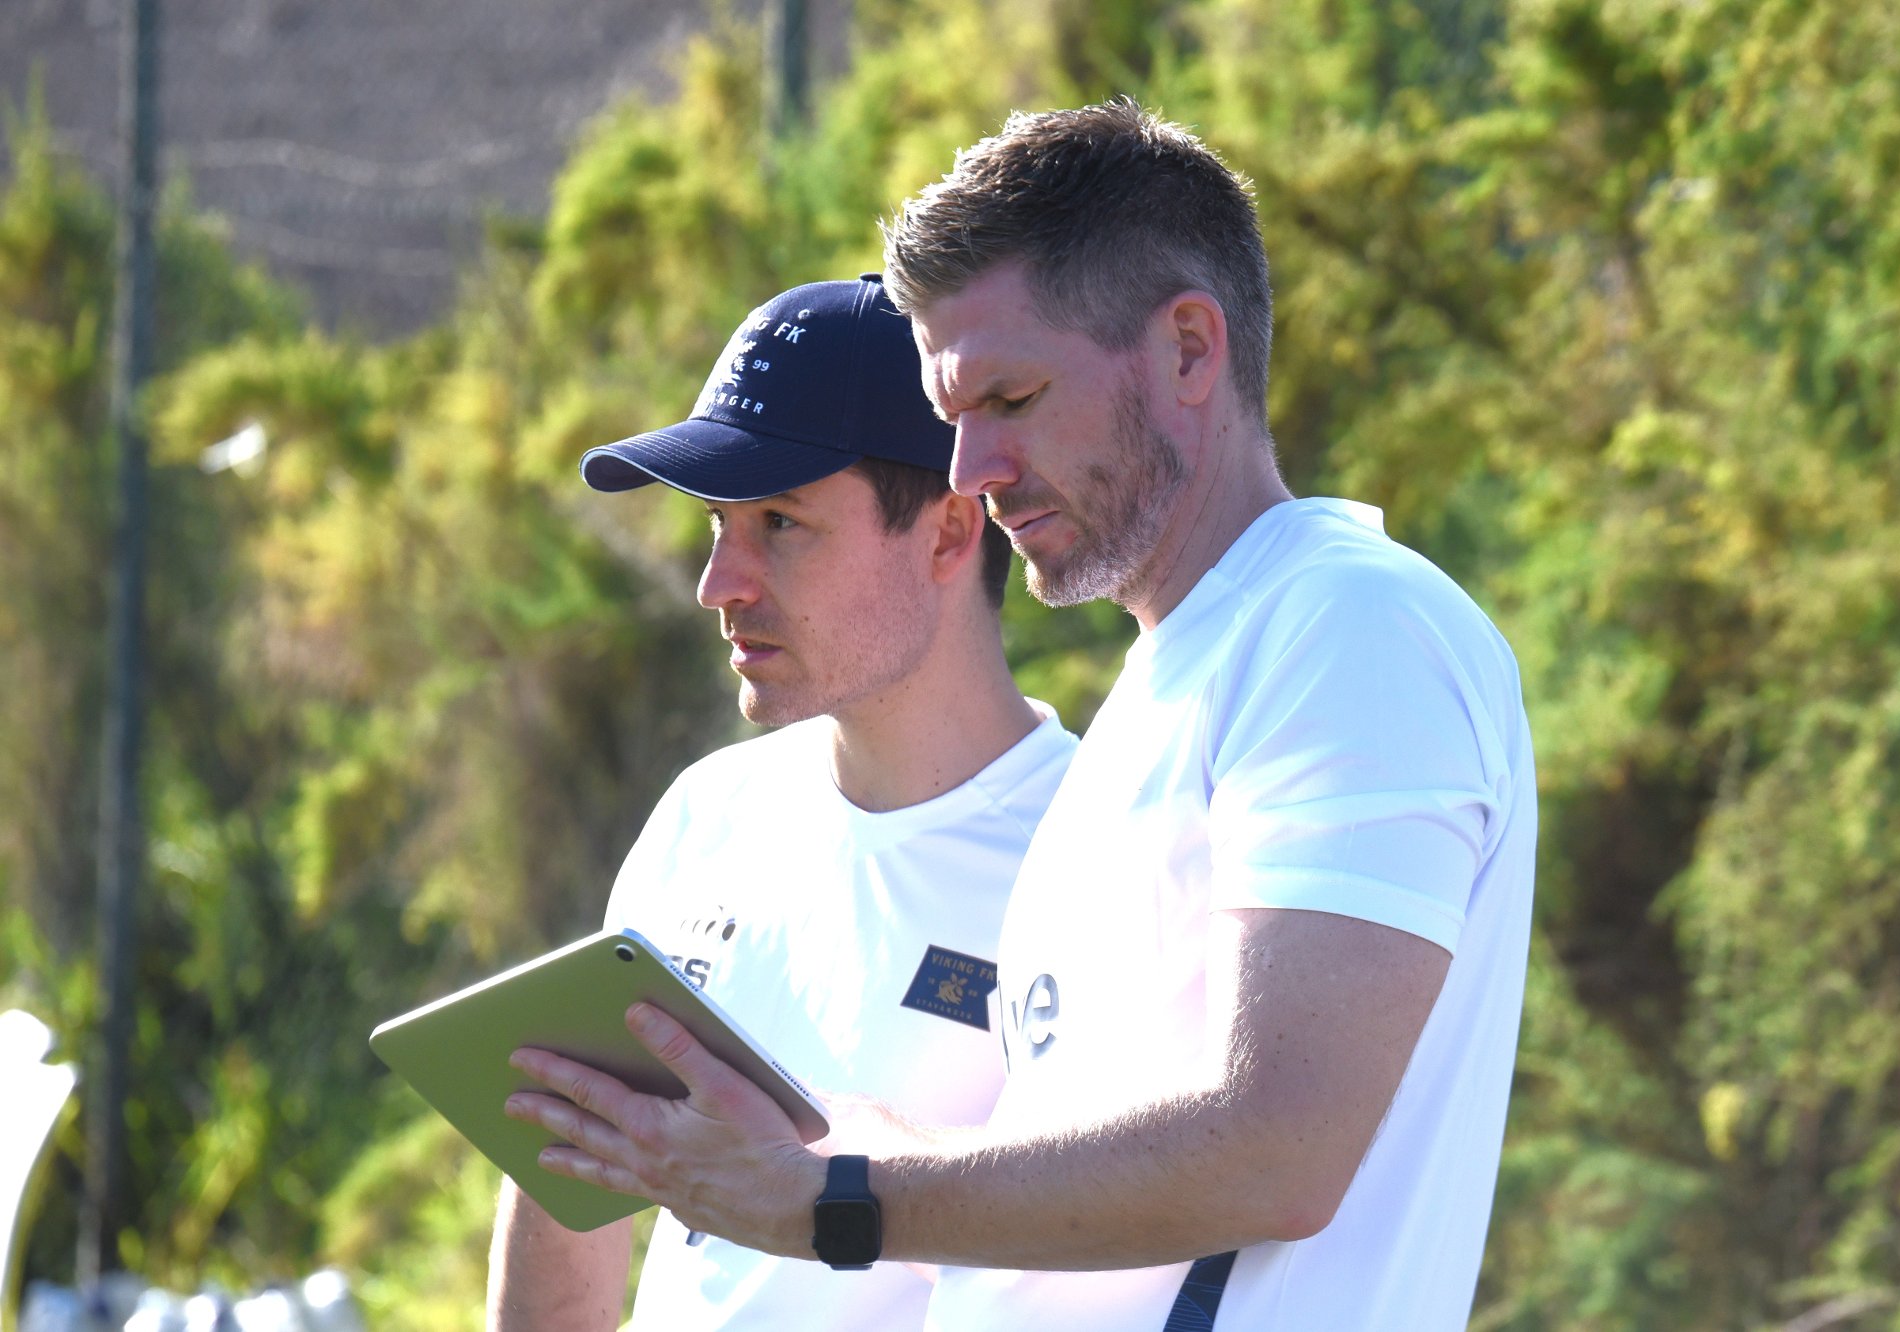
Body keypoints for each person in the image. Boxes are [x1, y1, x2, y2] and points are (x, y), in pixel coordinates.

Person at [507, 100, 1537, 1332]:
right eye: (954, 421)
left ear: (1191, 351)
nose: (971, 471)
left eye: (1012, 396)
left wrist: (840, 1194)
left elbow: (1280, 1150)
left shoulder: (1346, 620)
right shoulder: (1165, 693)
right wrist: (857, 1166)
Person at [487, 276, 1076, 1332]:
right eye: (718, 523)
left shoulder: (1096, 851)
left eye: (780, 522)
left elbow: (1124, 1251)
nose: (720, 582)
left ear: (949, 533)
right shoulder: (707, 812)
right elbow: (570, 1172)